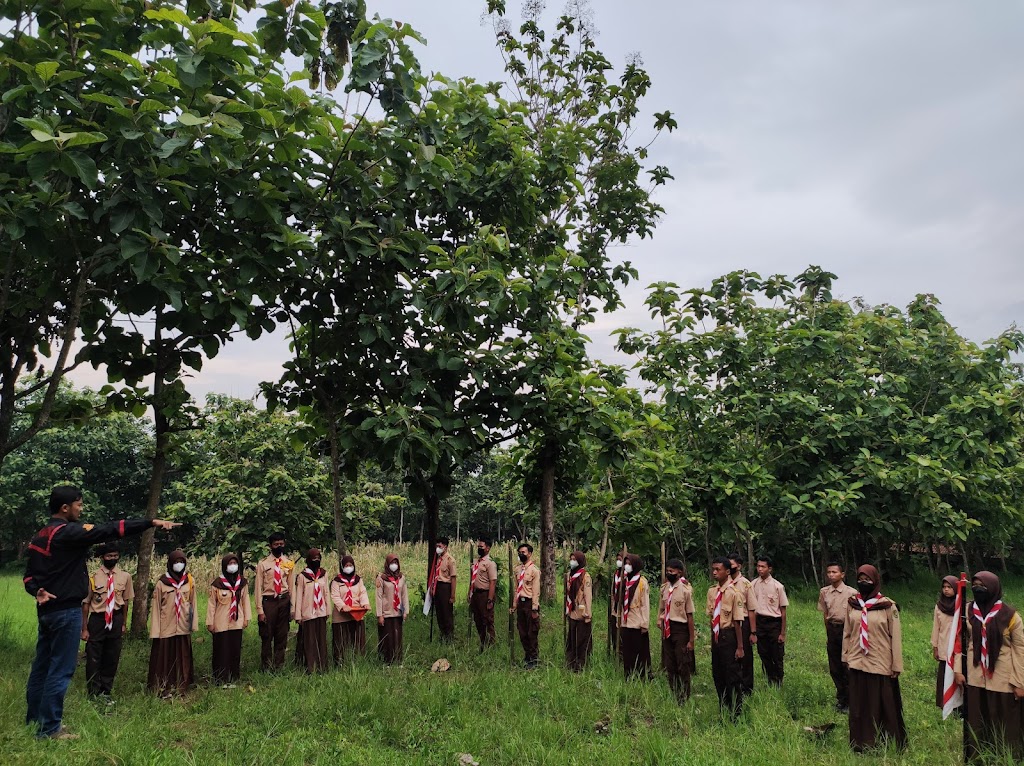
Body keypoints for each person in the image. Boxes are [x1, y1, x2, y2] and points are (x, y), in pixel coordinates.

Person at [23, 485, 177, 739]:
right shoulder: (68, 532)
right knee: (60, 669)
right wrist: (150, 522)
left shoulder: (40, 535)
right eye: (79, 504)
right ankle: (49, 729)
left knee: (42, 666)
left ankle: (34, 721)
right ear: (65, 507)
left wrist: (36, 591)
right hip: (66, 611)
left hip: (47, 610)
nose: (81, 509)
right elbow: (110, 529)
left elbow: (29, 576)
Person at [954, 571, 1024, 761]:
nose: (978, 589)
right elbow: (959, 641)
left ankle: (1006, 757)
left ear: (993, 588)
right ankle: (977, 756)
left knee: (1004, 720)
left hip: (1003, 677)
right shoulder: (967, 612)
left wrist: (1019, 682)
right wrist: (958, 670)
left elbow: (1020, 649)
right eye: (975, 585)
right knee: (977, 718)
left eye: (983, 586)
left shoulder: (1010, 616)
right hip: (975, 675)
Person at [842, 564, 906, 752]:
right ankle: (860, 741)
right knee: (859, 703)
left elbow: (895, 637)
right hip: (857, 659)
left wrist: (896, 664)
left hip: (880, 661)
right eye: (860, 579)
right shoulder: (852, 603)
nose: (864, 582)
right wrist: (845, 656)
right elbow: (847, 631)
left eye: (867, 579)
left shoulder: (887, 605)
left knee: (881, 702)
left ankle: (885, 741)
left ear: (875, 581)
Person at [81, 543, 134, 704]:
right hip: (98, 619)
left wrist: (123, 623)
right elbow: (86, 603)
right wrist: (84, 628)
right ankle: (93, 692)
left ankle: (106, 690)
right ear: (103, 557)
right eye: (109, 556)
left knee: (112, 656)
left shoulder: (125, 577)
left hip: (116, 618)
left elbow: (125, 602)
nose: (112, 558)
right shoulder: (93, 577)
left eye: (115, 555)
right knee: (94, 656)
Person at [148, 549, 199, 697]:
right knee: (165, 657)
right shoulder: (162, 583)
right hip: (166, 626)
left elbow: (193, 603)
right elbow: (156, 607)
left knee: (183, 656)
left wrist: (193, 624)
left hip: (183, 624)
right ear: (170, 563)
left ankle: (182, 684)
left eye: (182, 562)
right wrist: (155, 631)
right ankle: (163, 686)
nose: (179, 564)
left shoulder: (189, 581)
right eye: (176, 562)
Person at [707, 556, 745, 719]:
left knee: (732, 675)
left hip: (730, 636)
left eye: (718, 569)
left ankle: (736, 712)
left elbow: (737, 622)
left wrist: (740, 647)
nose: (715, 572)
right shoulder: (712, 592)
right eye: (713, 569)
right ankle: (723, 708)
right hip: (717, 636)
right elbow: (711, 617)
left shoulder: (734, 593)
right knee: (718, 674)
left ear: (728, 571)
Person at [206, 552, 251, 685]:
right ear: (224, 566)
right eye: (230, 564)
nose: (233, 566)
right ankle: (220, 678)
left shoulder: (242, 583)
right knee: (221, 650)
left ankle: (234, 677)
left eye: (235, 563)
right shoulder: (217, 583)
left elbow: (245, 601)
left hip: (237, 622)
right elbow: (211, 604)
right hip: (221, 622)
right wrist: (210, 622)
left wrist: (246, 618)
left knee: (235, 650)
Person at [818, 561, 857, 712]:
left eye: (834, 572)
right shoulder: (824, 592)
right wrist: (828, 631)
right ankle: (841, 698)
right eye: (829, 572)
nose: (831, 575)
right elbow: (825, 613)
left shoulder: (851, 593)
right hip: (832, 630)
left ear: (842, 574)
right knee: (834, 667)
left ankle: (850, 699)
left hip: (847, 631)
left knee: (846, 665)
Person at [254, 532, 295, 671]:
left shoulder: (288, 563)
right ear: (270, 546)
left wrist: (292, 607)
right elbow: (258, 588)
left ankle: (278, 665)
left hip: (284, 600)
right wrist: (260, 610)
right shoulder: (263, 563)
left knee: (282, 634)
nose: (279, 546)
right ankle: (266, 666)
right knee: (266, 634)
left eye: (281, 544)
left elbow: (291, 586)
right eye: (276, 544)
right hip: (269, 601)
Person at [658, 558, 695, 703]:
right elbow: (662, 608)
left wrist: (691, 639)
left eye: (672, 571)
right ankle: (674, 692)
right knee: (670, 663)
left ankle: (685, 694)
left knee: (682, 662)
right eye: (667, 571)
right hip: (667, 628)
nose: (669, 573)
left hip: (681, 629)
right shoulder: (664, 589)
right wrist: (659, 620)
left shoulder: (685, 591)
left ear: (679, 572)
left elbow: (690, 616)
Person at [752, 555, 788, 687]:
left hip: (774, 623)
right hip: (760, 622)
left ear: (770, 569)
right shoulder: (753, 584)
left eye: (763, 567)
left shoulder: (777, 586)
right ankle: (770, 678)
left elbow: (783, 611)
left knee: (776, 654)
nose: (760, 569)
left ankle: (778, 680)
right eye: (758, 566)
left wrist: (782, 632)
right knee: (763, 652)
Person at [292, 548, 329, 673]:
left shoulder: (323, 574)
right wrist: (298, 616)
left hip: (321, 611)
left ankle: (322, 665)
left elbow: (326, 593)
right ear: (308, 560)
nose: (316, 560)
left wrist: (327, 611)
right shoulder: (302, 576)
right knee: (309, 640)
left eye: (318, 558)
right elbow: (298, 596)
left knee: (321, 639)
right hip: (308, 613)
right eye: (314, 558)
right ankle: (310, 666)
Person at [331, 554, 370, 664]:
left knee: (357, 639)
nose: (348, 567)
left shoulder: (358, 580)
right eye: (346, 565)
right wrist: (343, 606)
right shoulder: (336, 581)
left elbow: (362, 592)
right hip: (341, 616)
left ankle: (358, 661)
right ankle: (340, 662)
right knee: (341, 640)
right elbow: (335, 596)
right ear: (342, 567)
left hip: (356, 614)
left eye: (350, 565)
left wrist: (365, 603)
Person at [728, 552, 758, 695]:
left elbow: (751, 609)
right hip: (729, 623)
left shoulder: (746, 584)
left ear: (739, 566)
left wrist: (753, 632)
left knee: (745, 655)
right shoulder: (725, 583)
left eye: (731, 565)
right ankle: (734, 684)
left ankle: (747, 687)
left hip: (743, 622)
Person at [619, 553, 651, 680]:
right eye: (626, 564)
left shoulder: (642, 582)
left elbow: (645, 604)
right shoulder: (625, 580)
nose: (627, 566)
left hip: (637, 621)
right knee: (627, 650)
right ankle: (628, 674)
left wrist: (644, 624)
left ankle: (642, 675)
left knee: (639, 650)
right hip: (626, 621)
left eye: (629, 564)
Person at [511, 542, 541, 669]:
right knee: (522, 632)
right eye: (519, 552)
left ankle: (534, 658)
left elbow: (536, 591)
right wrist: (514, 604)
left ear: (529, 554)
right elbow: (516, 589)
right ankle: (527, 656)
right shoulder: (518, 570)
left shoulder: (534, 570)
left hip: (530, 604)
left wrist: (534, 608)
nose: (521, 554)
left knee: (531, 632)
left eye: (523, 552)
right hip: (521, 603)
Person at [376, 554, 409, 664]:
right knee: (387, 638)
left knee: (397, 637)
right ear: (387, 564)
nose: (394, 565)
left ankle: (398, 659)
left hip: (398, 612)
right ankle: (387, 661)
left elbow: (404, 594)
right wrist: (379, 614)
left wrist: (406, 611)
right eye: (391, 563)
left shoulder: (401, 578)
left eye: (395, 563)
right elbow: (378, 597)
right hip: (386, 612)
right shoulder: (381, 578)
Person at [931, 575, 959, 710]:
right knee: (944, 675)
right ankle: (944, 703)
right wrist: (935, 646)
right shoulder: (939, 606)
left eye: (949, 587)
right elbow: (936, 627)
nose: (946, 590)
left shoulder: (962, 606)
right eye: (944, 587)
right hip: (943, 646)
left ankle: (959, 705)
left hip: (958, 648)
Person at [565, 550, 593, 672]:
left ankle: (580, 664)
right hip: (572, 611)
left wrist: (588, 614)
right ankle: (571, 662)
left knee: (581, 640)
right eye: (571, 559)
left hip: (582, 612)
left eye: (575, 560)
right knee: (572, 638)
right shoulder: (569, 575)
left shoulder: (585, 576)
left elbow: (588, 596)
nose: (572, 562)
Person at [468, 537, 497, 651]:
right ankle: (483, 642)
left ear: (488, 548)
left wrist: (490, 599)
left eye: (481, 547)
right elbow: (472, 579)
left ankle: (491, 644)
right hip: (475, 594)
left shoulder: (490, 563)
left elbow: (493, 582)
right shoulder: (476, 562)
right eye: (478, 546)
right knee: (478, 619)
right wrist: (469, 592)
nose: (479, 548)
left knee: (487, 619)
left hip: (484, 594)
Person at [430, 537, 457, 642]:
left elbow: (453, 578)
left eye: (439, 546)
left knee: (446, 613)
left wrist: (452, 595)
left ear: (445, 547)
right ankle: (442, 634)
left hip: (446, 587)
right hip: (438, 587)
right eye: (437, 546)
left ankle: (449, 636)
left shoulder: (450, 560)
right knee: (439, 612)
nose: (438, 548)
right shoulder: (437, 559)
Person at [609, 554, 624, 658]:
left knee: (622, 633)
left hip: (623, 609)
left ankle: (622, 654)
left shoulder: (627, 575)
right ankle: (616, 652)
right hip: (615, 607)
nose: (618, 562)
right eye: (617, 559)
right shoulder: (616, 574)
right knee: (614, 632)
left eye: (620, 560)